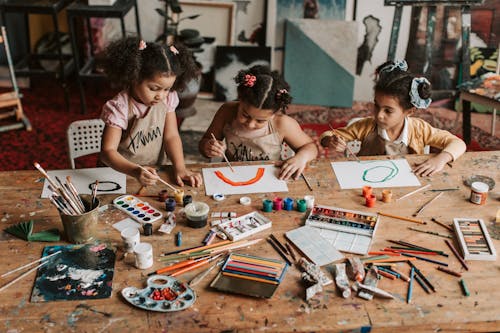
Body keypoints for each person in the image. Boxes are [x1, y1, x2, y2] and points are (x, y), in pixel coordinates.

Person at [320, 60, 466, 176]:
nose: (379, 115)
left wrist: (440, 159)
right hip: (367, 183)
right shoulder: (365, 126)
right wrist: (330, 141)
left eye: (388, 111)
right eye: (376, 106)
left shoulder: (419, 129)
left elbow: (458, 143)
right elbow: (326, 135)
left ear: (409, 111)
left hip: (407, 184)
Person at [98, 37, 202, 187]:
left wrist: (180, 168)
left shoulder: (167, 99)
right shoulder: (120, 107)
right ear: (134, 78)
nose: (161, 95)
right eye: (154, 88)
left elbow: (171, 136)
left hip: (154, 171)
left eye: (167, 89)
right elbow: (108, 152)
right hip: (120, 175)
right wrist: (135, 171)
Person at [199, 65, 318, 180]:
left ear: (275, 113)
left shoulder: (283, 124)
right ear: (240, 98)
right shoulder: (227, 112)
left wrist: (301, 157)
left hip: (270, 176)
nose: (250, 124)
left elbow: (311, 147)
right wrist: (207, 147)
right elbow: (204, 142)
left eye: (260, 121)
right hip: (231, 174)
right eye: (245, 115)